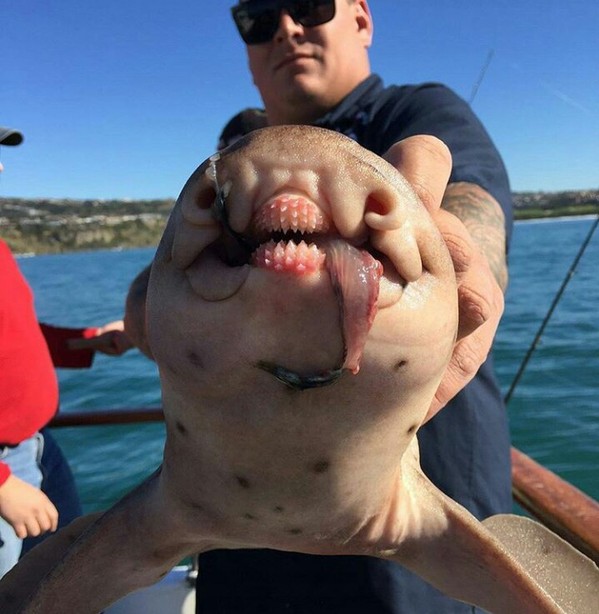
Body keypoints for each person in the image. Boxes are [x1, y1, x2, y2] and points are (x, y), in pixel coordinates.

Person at [124, 2, 512, 611]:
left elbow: (473, 201)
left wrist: (461, 245)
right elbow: (148, 308)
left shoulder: (417, 111)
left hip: (423, 521)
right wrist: (155, 291)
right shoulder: (223, 167)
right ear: (249, 58)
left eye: (308, 4)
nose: (285, 28)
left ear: (361, 19)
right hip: (237, 543)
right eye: (257, 21)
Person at [0, 126, 133, 576]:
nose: (0, 166)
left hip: (37, 446)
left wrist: (88, 340)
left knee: (67, 575)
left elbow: (17, 334)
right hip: (5, 472)